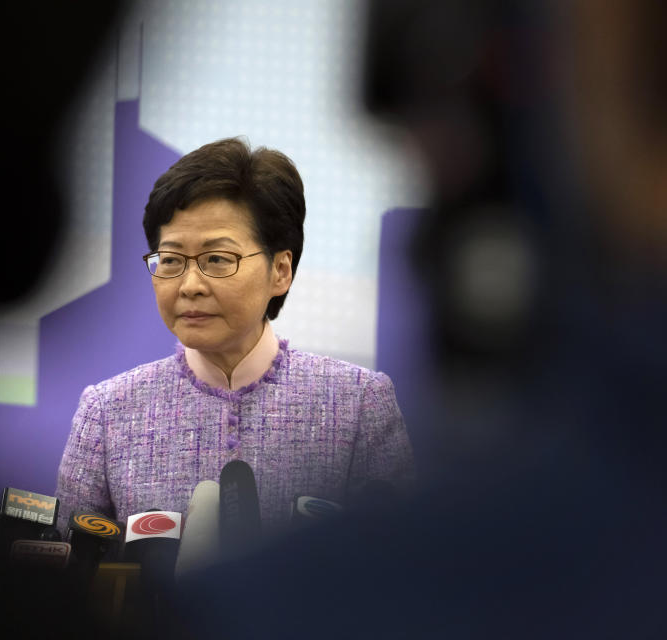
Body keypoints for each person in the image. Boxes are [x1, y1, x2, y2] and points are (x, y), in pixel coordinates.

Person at [54, 137, 415, 536]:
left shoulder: (358, 404)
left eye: (217, 260)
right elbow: (71, 573)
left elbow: (399, 565)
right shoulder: (107, 411)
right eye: (171, 260)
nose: (189, 285)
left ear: (280, 270)